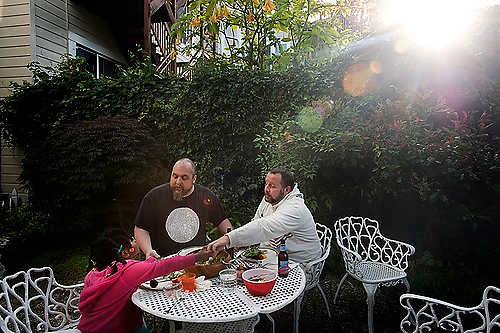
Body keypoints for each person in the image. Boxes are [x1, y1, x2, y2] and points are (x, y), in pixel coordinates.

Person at [77, 230, 215, 333]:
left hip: (89, 328)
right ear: (124, 253)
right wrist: (197, 256)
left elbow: (138, 269)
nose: (135, 242)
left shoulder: (92, 273)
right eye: (132, 241)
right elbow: (164, 266)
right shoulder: (128, 271)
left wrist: (149, 260)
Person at [207, 168, 321, 263]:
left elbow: (263, 227)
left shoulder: (295, 209)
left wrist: (228, 239)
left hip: (300, 264)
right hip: (271, 257)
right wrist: (241, 242)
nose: (266, 189)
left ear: (287, 190)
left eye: (272, 186)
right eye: (266, 183)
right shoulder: (271, 198)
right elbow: (256, 220)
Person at [134, 158, 232, 258]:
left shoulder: (205, 196)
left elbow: (222, 221)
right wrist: (148, 251)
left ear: (194, 179)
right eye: (175, 176)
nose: (178, 182)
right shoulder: (154, 197)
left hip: (197, 260)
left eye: (184, 178)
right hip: (163, 262)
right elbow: (141, 228)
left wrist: (233, 239)